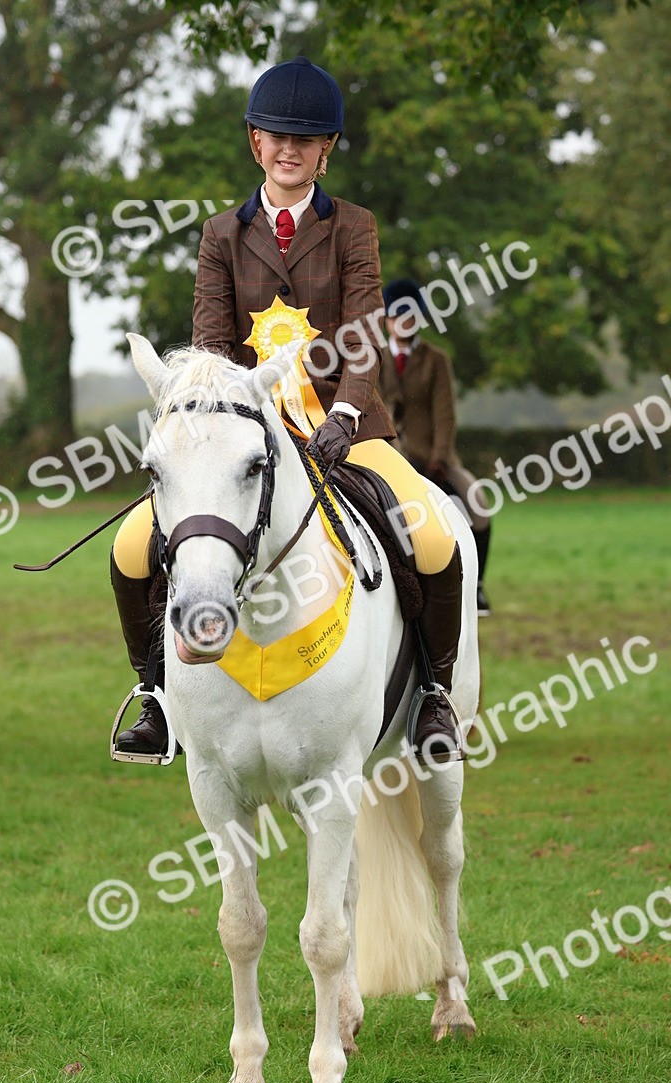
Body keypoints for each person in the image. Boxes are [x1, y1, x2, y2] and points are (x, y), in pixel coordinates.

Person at [110, 57, 466, 763]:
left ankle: (433, 696)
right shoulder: (220, 235)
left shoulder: (353, 230)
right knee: (129, 549)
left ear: (325, 149)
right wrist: (222, 425)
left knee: (433, 540)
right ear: (254, 142)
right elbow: (210, 348)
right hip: (245, 439)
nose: (288, 149)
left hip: (347, 433)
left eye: (305, 140)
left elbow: (364, 334)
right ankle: (155, 696)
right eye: (276, 136)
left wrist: (344, 418)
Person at [379, 279, 492, 616]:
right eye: (398, 316)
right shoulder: (374, 358)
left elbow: (445, 414)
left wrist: (440, 459)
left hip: (433, 456)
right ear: (387, 320)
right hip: (388, 455)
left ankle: (478, 586)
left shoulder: (436, 359)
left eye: (411, 316)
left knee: (478, 503)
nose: (404, 323)